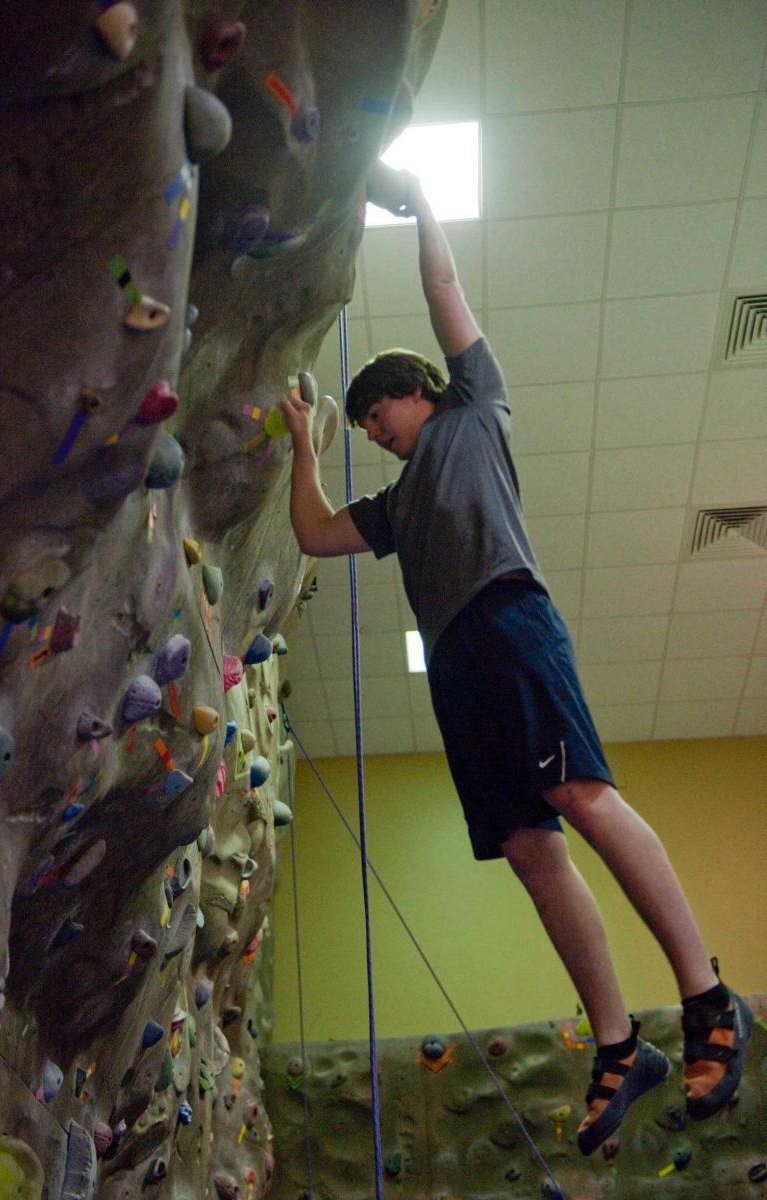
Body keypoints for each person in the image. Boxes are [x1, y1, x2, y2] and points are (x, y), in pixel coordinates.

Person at [280, 164, 753, 1155]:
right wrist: (303, 445)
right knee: (531, 851)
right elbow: (317, 534)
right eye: (364, 424)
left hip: (507, 619)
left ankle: (707, 1000)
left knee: (581, 797)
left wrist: (421, 207)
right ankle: (619, 1047)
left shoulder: (471, 412)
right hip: (456, 663)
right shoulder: (396, 506)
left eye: (379, 413)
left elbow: (444, 296)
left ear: (419, 393)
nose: (374, 428)